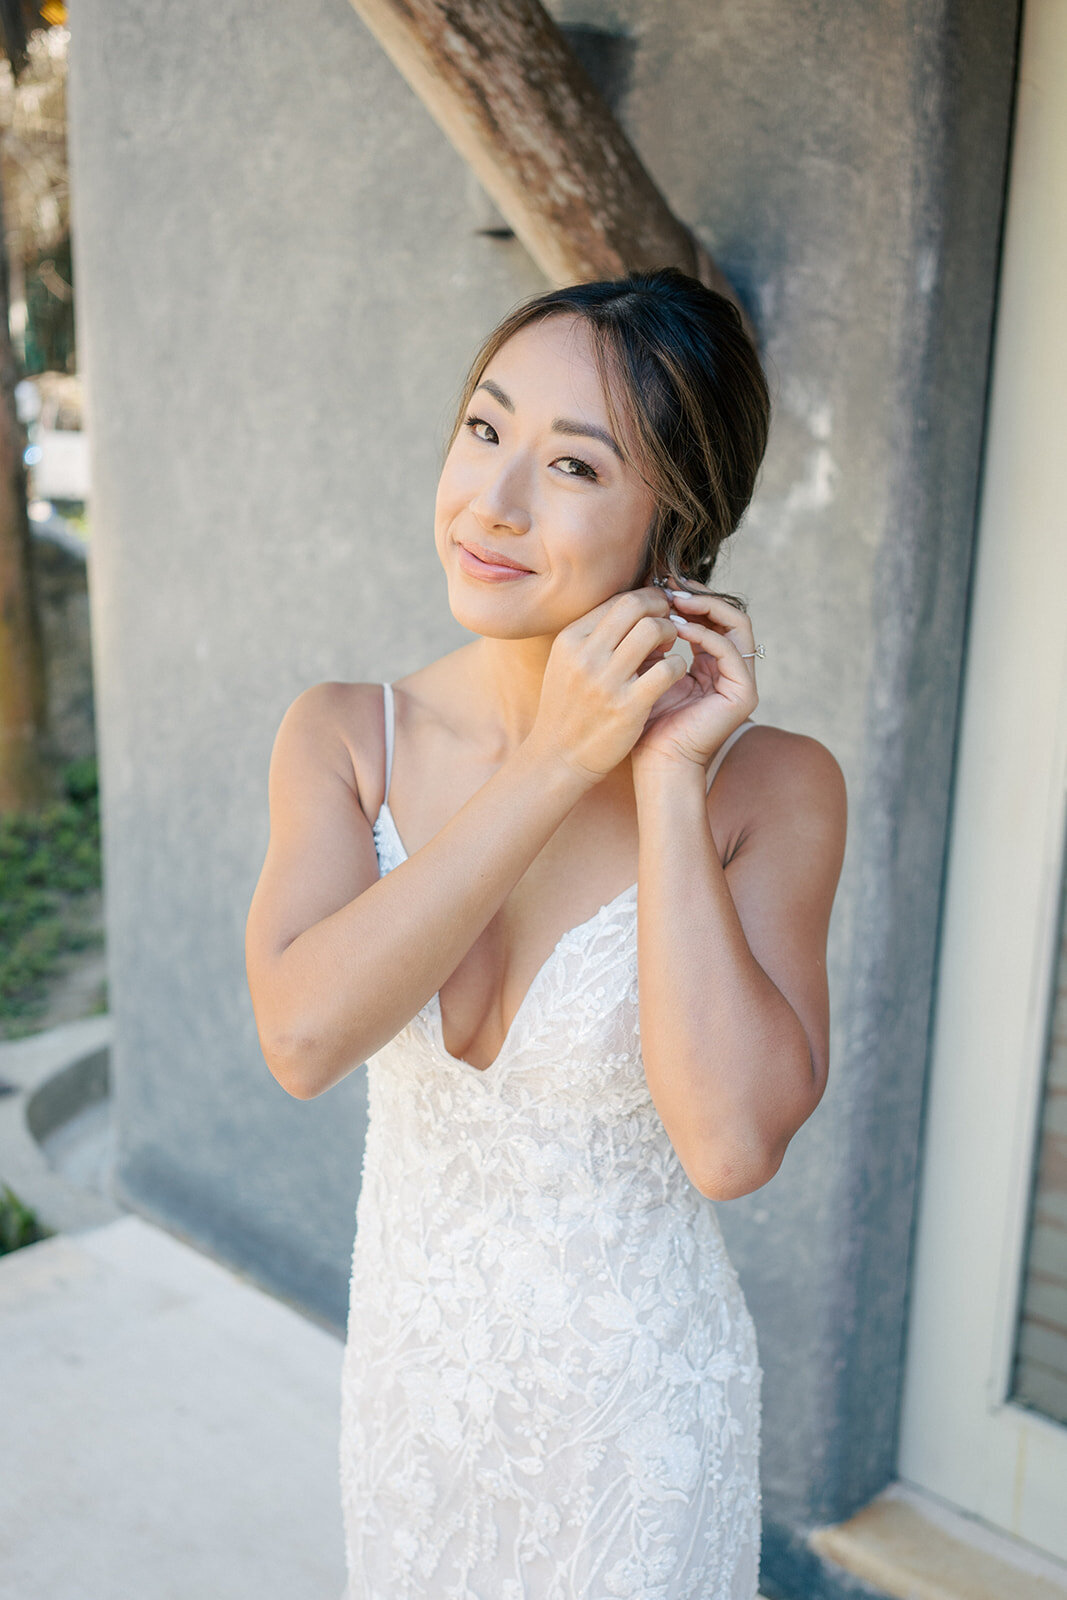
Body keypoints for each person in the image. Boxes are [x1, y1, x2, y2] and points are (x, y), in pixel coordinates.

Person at [245, 266, 847, 1599]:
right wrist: (550, 766)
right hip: (411, 1403)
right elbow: (300, 1037)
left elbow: (734, 1143)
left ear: (673, 521)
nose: (492, 503)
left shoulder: (775, 787)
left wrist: (667, 777)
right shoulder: (346, 735)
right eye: (483, 429)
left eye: (573, 465)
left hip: (633, 1434)